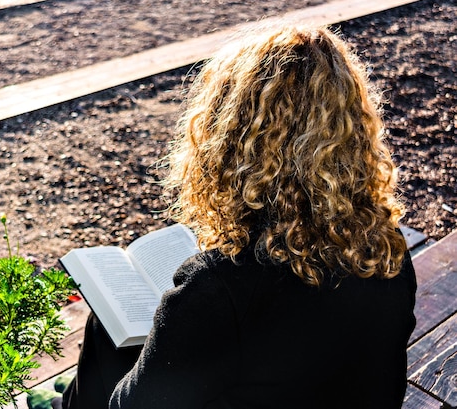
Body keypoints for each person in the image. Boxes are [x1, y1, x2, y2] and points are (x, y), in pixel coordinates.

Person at [42, 22, 417, 409]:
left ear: (230, 137)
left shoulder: (221, 285)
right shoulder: (387, 248)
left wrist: (168, 322)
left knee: (106, 326)